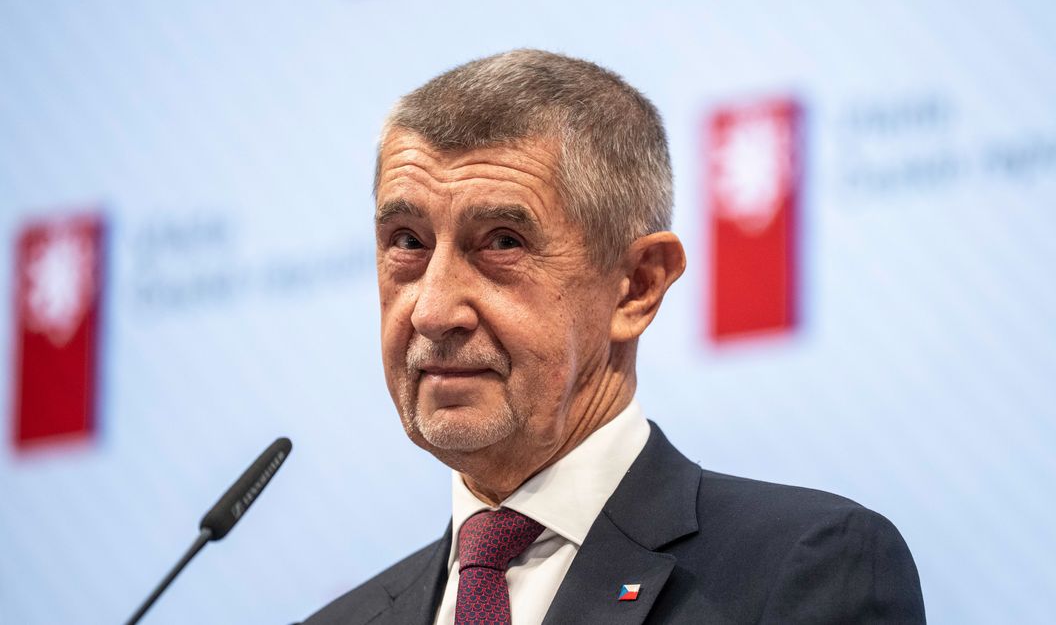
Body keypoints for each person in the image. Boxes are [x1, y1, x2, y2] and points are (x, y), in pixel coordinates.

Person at [301, 49, 925, 624]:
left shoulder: (804, 570)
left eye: (501, 243)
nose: (433, 312)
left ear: (636, 286)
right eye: (407, 242)